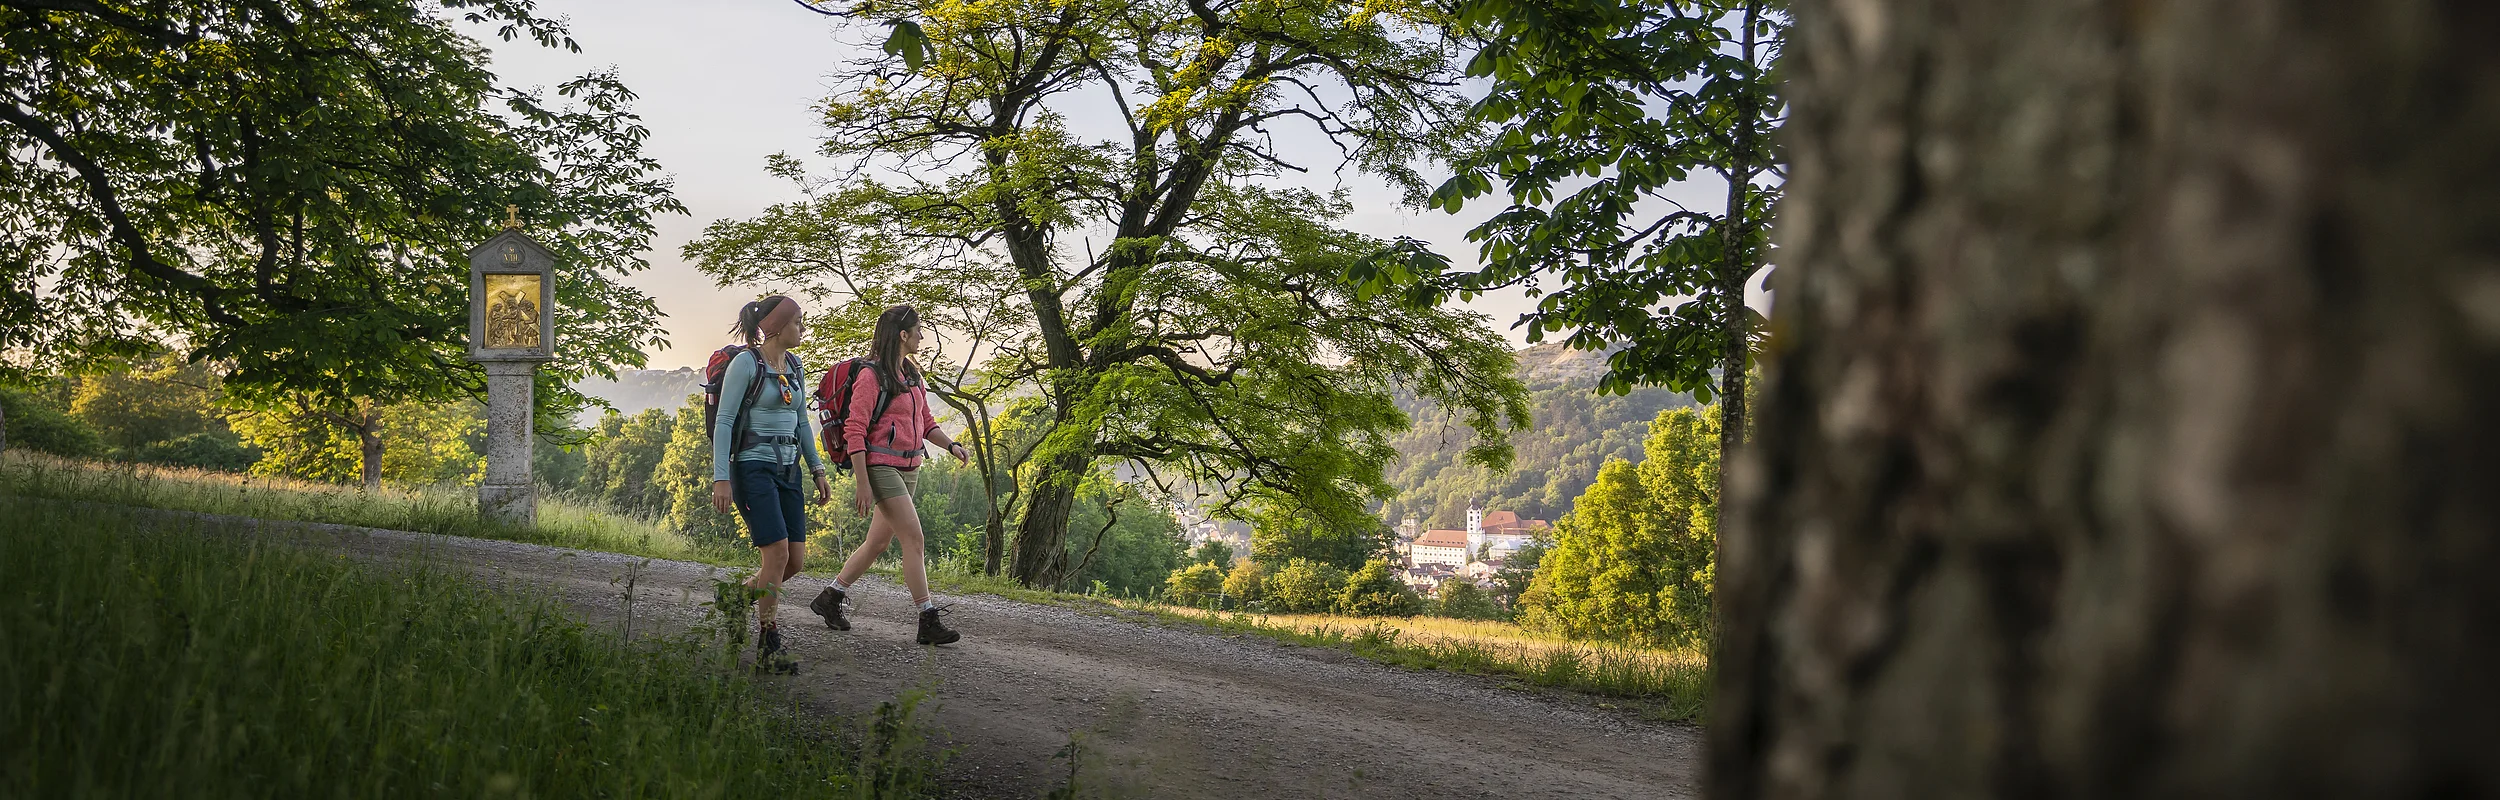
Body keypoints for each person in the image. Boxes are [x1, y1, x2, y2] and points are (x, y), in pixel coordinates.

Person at [809, 305, 970, 645]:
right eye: (919, 330)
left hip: (910, 467)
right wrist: (863, 482)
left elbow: (926, 422)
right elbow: (854, 430)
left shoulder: (911, 375)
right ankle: (927, 620)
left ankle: (830, 597)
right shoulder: (871, 376)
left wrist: (951, 444)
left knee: (877, 543)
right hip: (881, 468)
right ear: (903, 335)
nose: (922, 336)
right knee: (914, 540)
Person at [709, 294, 833, 673]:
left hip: (789, 470)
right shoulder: (747, 364)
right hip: (752, 468)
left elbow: (801, 424)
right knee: (776, 554)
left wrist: (817, 469)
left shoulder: (794, 367)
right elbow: (725, 422)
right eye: (797, 321)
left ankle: (738, 598)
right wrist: (721, 478)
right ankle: (769, 641)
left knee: (794, 560)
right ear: (777, 327)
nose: (802, 328)